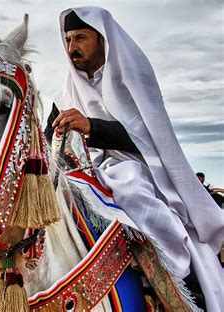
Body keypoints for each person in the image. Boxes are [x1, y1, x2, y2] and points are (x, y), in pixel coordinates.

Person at [45, 7, 223, 310]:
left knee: (133, 186)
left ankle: (175, 276)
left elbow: (154, 139)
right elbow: (51, 143)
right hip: (84, 174)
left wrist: (93, 127)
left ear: (101, 40)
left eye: (80, 38)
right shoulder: (64, 93)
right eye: (67, 39)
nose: (71, 47)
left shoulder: (133, 78)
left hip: (142, 169)